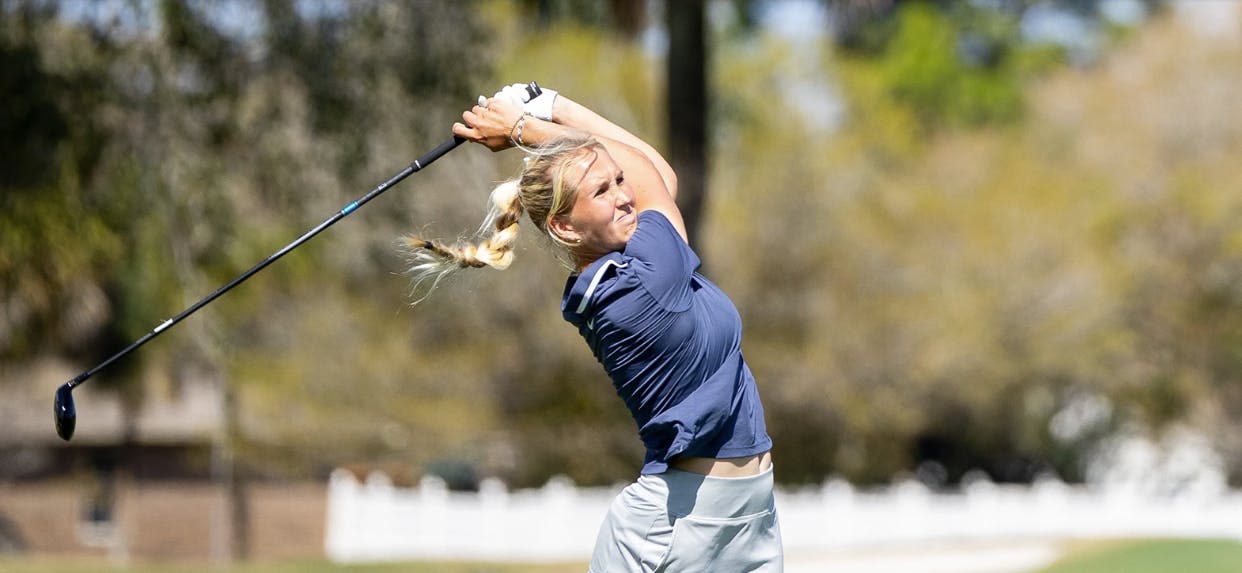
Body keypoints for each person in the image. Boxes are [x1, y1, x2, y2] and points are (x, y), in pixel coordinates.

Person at [405, 84, 782, 572]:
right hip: (674, 529)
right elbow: (650, 174)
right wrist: (526, 127)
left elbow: (651, 176)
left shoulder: (632, 263)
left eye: (617, 183)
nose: (624, 197)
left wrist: (549, 105)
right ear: (564, 226)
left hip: (745, 516)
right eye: (602, 191)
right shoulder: (636, 288)